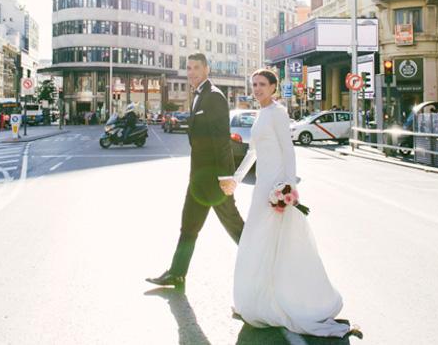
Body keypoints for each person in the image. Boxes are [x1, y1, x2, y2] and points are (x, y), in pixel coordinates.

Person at [219, 69, 361, 339]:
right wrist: (236, 179)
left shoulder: (277, 113)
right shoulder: (261, 113)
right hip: (262, 187)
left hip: (276, 187)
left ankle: (288, 301)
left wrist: (287, 189)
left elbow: (288, 150)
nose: (257, 89)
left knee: (280, 245)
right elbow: (253, 152)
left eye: (262, 84)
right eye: (254, 84)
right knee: (257, 243)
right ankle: (258, 301)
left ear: (273, 87)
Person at [147, 53, 244, 289]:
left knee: (235, 226)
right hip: (199, 177)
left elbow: (221, 140)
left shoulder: (214, 96)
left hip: (214, 179)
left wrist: (225, 177)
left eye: (196, 68)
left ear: (206, 69)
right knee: (189, 225)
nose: (191, 73)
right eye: (188, 68)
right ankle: (176, 273)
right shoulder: (198, 95)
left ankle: (264, 263)